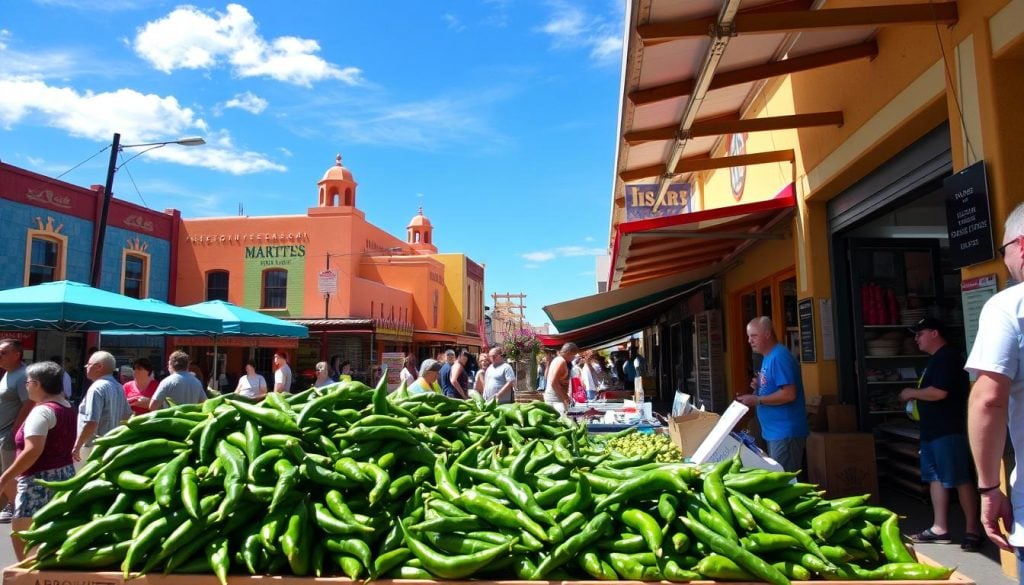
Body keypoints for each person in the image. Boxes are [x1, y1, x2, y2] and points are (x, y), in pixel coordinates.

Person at [966, 201, 1024, 559]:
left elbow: (987, 399)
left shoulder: (1009, 306)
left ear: (1021, 246)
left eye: (1003, 251)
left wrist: (988, 489)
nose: (1004, 261)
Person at [897, 318, 980, 550]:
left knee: (959, 479)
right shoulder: (936, 360)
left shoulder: (948, 357)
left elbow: (939, 392)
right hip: (932, 431)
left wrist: (910, 393)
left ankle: (973, 529)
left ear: (935, 333)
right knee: (935, 478)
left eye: (919, 333)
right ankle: (939, 527)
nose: (916, 339)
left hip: (948, 430)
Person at [0, 362, 75, 560]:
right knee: (50, 536)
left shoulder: (42, 411)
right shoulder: (67, 406)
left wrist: (5, 478)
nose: (25, 386)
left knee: (22, 534)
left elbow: (32, 451)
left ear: (37, 383)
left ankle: (27, 577)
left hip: (38, 480)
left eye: (27, 382)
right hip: (63, 475)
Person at [735, 316, 809, 473]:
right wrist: (759, 386)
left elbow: (789, 394)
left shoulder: (779, 356)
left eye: (753, 336)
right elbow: (775, 385)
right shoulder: (768, 357)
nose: (749, 341)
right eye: (748, 336)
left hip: (784, 432)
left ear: (767, 334)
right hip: (774, 432)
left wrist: (757, 399)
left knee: (784, 481)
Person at [73, 351, 131, 469]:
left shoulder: (96, 388)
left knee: (84, 483)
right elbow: (127, 417)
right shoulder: (119, 387)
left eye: (89, 365)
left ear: (99, 366)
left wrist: (77, 446)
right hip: (110, 445)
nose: (86, 368)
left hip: (92, 446)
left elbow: (91, 422)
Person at [0, 339, 33, 523]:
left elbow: (29, 403)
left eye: (3, 352)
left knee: (9, 472)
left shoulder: (22, 375)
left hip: (9, 433)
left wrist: (14, 431)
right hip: (3, 432)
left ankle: (15, 508)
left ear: (17, 355)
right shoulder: (8, 373)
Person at [544, 342, 579, 413]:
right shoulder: (561, 361)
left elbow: (548, 377)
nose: (574, 358)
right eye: (574, 355)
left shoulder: (557, 360)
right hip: (555, 400)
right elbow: (554, 383)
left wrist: (566, 397)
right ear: (569, 352)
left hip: (554, 399)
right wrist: (564, 399)